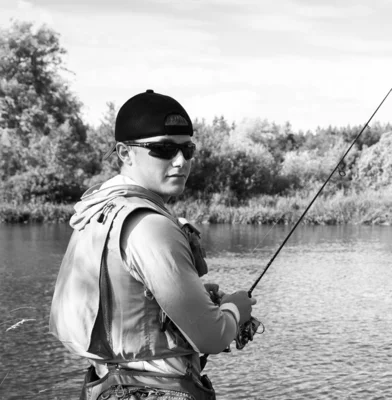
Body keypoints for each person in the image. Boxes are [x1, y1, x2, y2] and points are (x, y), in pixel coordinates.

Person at [49, 89, 257, 400]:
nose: (180, 161)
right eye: (163, 149)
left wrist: (199, 296)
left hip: (106, 386)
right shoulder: (151, 225)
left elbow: (124, 296)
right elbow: (212, 336)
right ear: (124, 153)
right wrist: (235, 310)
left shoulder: (99, 208)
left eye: (188, 149)